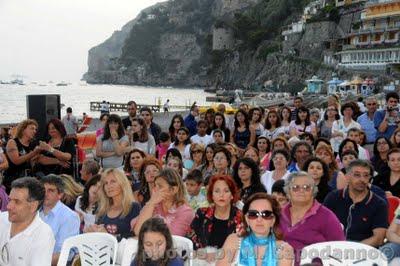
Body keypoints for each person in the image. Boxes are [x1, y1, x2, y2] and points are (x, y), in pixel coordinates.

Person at [280, 172, 345, 266]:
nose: (301, 190)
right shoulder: (279, 214)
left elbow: (340, 249)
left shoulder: (326, 216)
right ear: (288, 191)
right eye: (295, 187)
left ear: (313, 192)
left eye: (306, 187)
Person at [324, 160, 388, 247]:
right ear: (347, 177)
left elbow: (378, 238)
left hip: (363, 252)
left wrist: (352, 249)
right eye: (357, 175)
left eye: (366, 175)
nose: (362, 179)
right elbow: (321, 226)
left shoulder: (379, 204)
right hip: (333, 248)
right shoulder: (333, 197)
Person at [217, 193, 293, 266]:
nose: (259, 219)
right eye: (253, 214)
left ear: (273, 220)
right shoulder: (233, 241)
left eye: (266, 214)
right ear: (247, 219)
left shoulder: (285, 249)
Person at [0, 177, 55, 265]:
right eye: (10, 200)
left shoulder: (43, 234)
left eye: (17, 202)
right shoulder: (2, 219)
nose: (8, 206)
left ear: (33, 206)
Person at [187, 175, 242, 254]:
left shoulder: (240, 217)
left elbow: (244, 248)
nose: (221, 195)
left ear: (232, 195)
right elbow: (190, 240)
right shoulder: (202, 214)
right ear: (212, 195)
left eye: (226, 191)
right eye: (217, 191)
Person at [133, 168, 194, 237]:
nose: (155, 189)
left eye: (160, 186)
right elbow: (138, 231)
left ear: (173, 190)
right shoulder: (153, 205)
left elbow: (171, 238)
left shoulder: (185, 211)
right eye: (155, 185)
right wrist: (151, 204)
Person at [86, 168, 141, 241]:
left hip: (125, 250)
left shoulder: (134, 207)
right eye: (106, 183)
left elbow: (137, 235)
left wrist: (109, 236)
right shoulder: (102, 208)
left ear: (122, 184)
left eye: (113, 181)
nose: (109, 186)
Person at [39, 175, 80, 265]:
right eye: (43, 190)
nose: (45, 194)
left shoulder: (69, 217)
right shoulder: (34, 212)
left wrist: (37, 262)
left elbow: (65, 254)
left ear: (60, 195)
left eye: (51, 190)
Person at [4, 119, 41, 193]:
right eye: (32, 128)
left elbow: (36, 161)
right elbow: (16, 161)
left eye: (35, 129)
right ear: (23, 129)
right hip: (14, 181)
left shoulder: (32, 145)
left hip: (28, 180)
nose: (34, 131)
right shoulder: (13, 142)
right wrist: (33, 153)